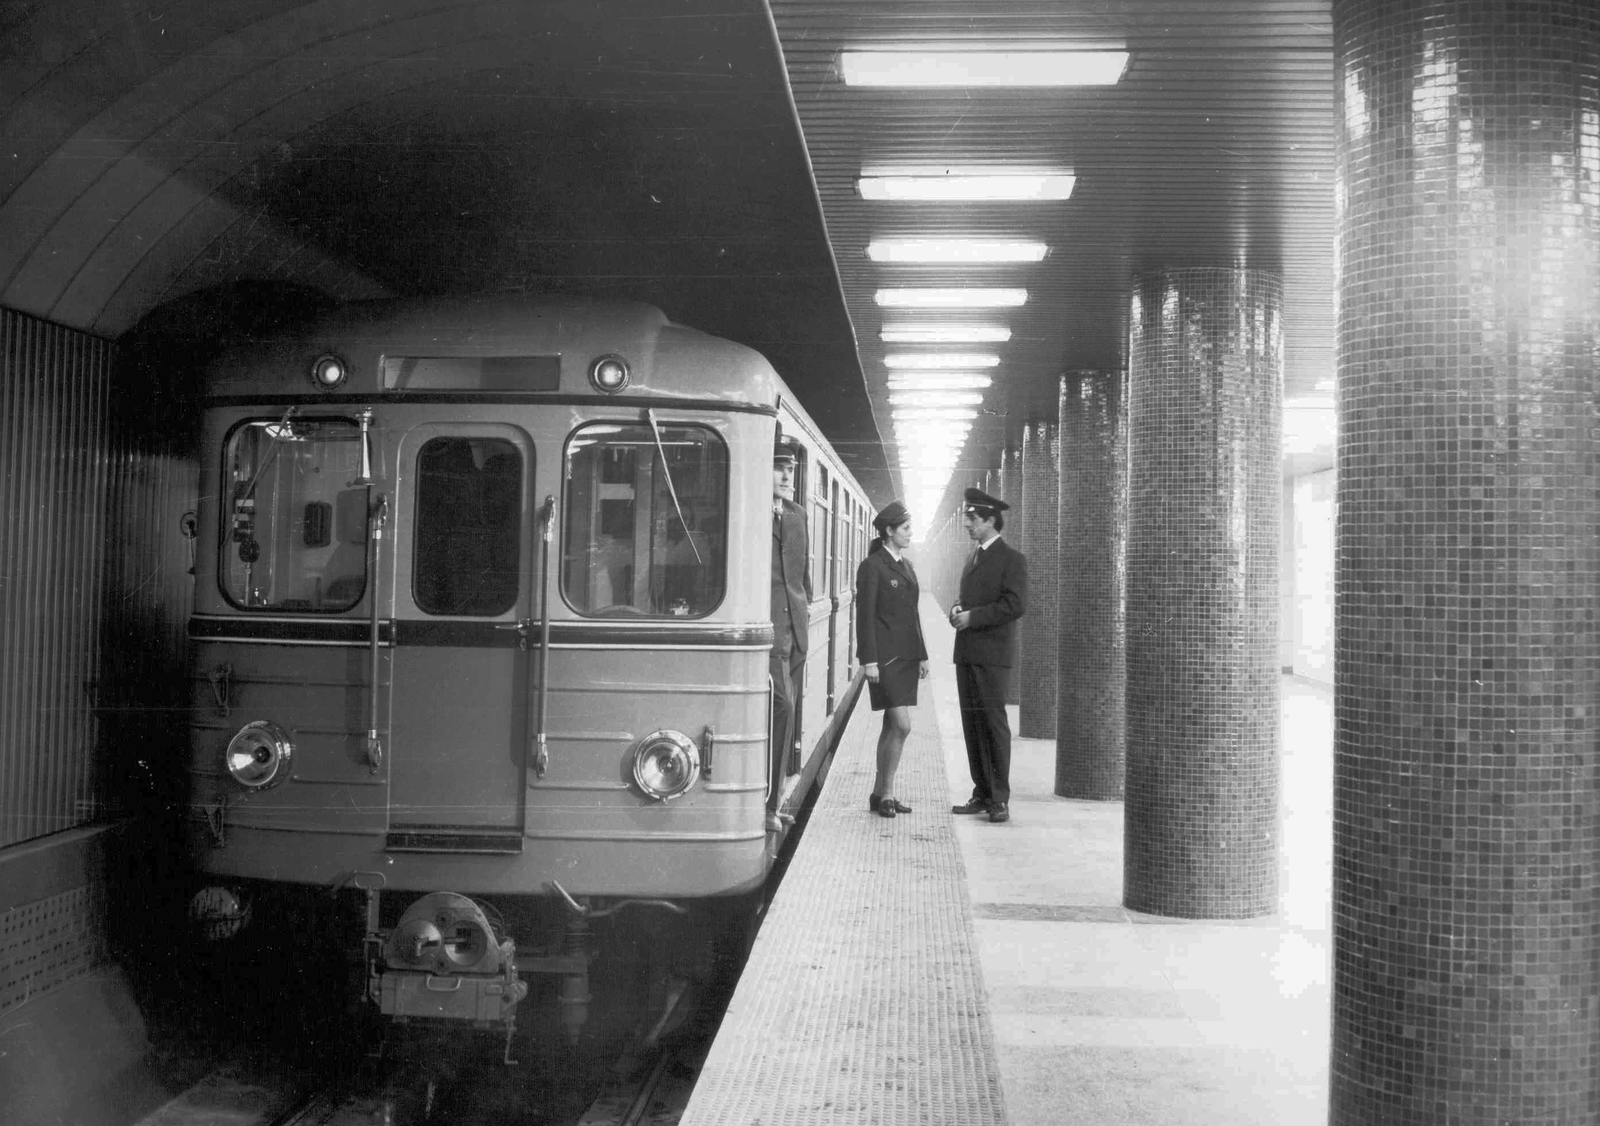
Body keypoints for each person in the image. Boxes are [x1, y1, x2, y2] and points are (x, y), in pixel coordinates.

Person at [949, 487, 1027, 823]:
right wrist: (957, 608)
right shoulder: (973, 557)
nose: (967, 523)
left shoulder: (1012, 560)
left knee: (993, 724)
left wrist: (973, 617)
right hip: (967, 653)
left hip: (992, 655)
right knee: (972, 723)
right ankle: (981, 792)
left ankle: (999, 798)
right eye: (967, 517)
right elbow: (968, 598)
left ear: (991, 520)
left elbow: (1015, 605)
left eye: (973, 518)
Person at [855, 500, 929, 819]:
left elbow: (913, 614)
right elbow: (865, 617)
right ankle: (887, 792)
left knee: (891, 725)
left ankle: (880, 793)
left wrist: (923, 655)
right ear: (889, 532)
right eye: (906, 528)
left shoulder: (907, 566)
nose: (910, 534)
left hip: (907, 658)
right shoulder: (872, 566)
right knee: (902, 725)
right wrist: (868, 660)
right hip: (884, 658)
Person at [770, 436, 812, 801]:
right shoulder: (748, 511)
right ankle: (769, 801)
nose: (787, 478)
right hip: (768, 630)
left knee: (790, 707)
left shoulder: (798, 515)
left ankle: (778, 792)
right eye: (779, 469)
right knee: (782, 705)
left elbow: (802, 574)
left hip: (795, 630)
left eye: (791, 471)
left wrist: (804, 606)